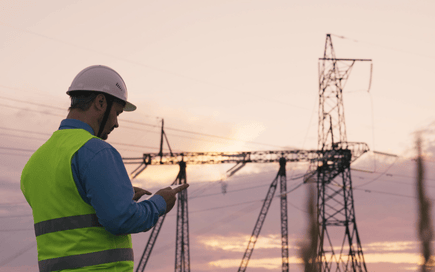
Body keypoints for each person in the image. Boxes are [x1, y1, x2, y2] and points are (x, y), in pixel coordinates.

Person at [20, 65, 189, 272]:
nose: (116, 123)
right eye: (117, 113)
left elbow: (72, 212)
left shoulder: (34, 163)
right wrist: (160, 202)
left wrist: (113, 196)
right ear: (101, 102)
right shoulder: (96, 151)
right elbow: (122, 219)